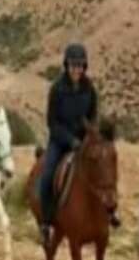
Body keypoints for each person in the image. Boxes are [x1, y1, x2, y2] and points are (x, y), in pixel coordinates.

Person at [39, 43, 120, 243]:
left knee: (104, 168)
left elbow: (92, 116)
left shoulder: (89, 89)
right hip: (60, 141)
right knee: (47, 176)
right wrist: (70, 140)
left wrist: (90, 136)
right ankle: (47, 223)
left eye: (80, 65)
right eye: (73, 65)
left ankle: (110, 212)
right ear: (66, 66)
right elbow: (52, 122)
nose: (77, 69)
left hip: (84, 140)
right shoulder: (56, 89)